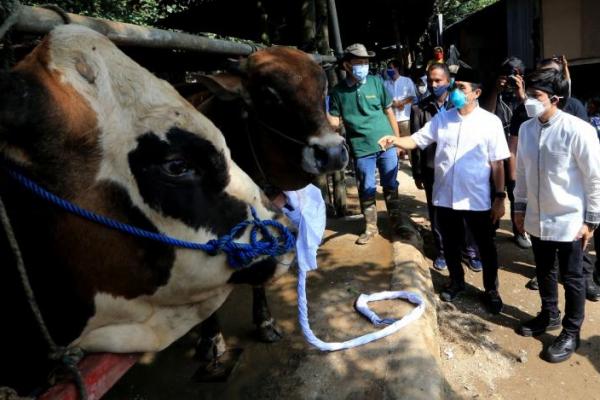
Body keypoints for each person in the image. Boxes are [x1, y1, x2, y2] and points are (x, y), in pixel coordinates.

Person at [379, 67, 509, 314]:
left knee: (485, 247)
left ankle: (491, 290)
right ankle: (456, 281)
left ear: (476, 93)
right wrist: (395, 140)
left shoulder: (490, 122)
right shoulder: (443, 118)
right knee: (450, 243)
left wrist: (500, 197)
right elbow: (416, 140)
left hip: (476, 198)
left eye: (461, 88)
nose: (455, 92)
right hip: (445, 196)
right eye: (455, 86)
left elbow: (498, 163)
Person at [514, 68, 600, 363]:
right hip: (538, 217)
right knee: (544, 270)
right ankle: (549, 314)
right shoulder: (526, 129)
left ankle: (571, 331)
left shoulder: (578, 130)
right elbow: (522, 172)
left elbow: (594, 178)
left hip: (570, 221)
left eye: (536, 96)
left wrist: (591, 220)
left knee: (573, 277)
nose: (529, 101)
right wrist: (519, 207)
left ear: (555, 98)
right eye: (528, 95)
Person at [410, 63, 482, 272]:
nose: (433, 85)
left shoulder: (460, 105)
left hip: (462, 170)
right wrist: (417, 172)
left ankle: (470, 251)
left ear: (448, 81)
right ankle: (442, 250)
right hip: (433, 170)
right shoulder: (419, 108)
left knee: (467, 211)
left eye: (438, 80)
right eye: (430, 80)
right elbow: (416, 143)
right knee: (437, 213)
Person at [327, 43, 400, 245]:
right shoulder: (338, 93)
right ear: (348, 65)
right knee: (366, 187)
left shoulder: (376, 82)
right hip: (361, 149)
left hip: (386, 144)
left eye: (366, 62)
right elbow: (333, 122)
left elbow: (389, 112)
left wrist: (398, 140)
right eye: (359, 62)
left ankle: (397, 222)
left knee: (391, 183)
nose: (364, 66)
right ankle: (370, 227)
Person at [485, 57, 531, 249]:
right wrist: (496, 89)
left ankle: (519, 230)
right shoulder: (493, 93)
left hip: (518, 153)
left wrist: (521, 93)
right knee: (493, 190)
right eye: (507, 76)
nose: (511, 80)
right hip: (495, 152)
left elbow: (533, 116)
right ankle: (491, 227)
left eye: (515, 75)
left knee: (517, 192)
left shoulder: (529, 97)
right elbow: (485, 115)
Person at [384, 59, 417, 160]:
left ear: (396, 68)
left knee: (409, 142)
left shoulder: (406, 81)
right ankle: (395, 163)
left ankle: (412, 163)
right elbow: (384, 99)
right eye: (388, 68)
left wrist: (401, 103)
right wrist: (394, 104)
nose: (388, 70)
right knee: (392, 143)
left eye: (391, 68)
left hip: (405, 117)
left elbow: (412, 96)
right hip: (391, 118)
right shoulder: (385, 83)